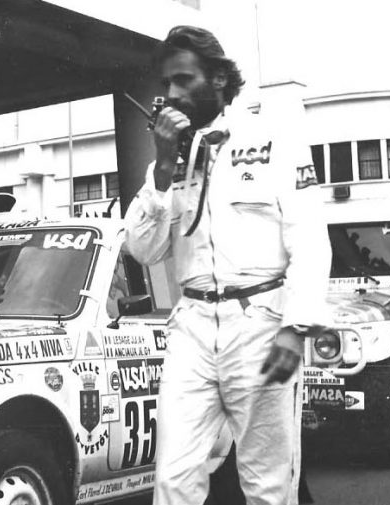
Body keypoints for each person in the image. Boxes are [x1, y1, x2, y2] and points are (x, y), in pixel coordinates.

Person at [123, 25, 330, 505]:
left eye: (184, 80)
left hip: (259, 322)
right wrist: (163, 168)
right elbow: (142, 248)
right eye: (168, 83)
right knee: (173, 477)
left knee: (267, 484)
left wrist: (295, 328)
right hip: (192, 326)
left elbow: (309, 238)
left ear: (217, 79)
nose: (173, 93)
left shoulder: (273, 140)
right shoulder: (171, 160)